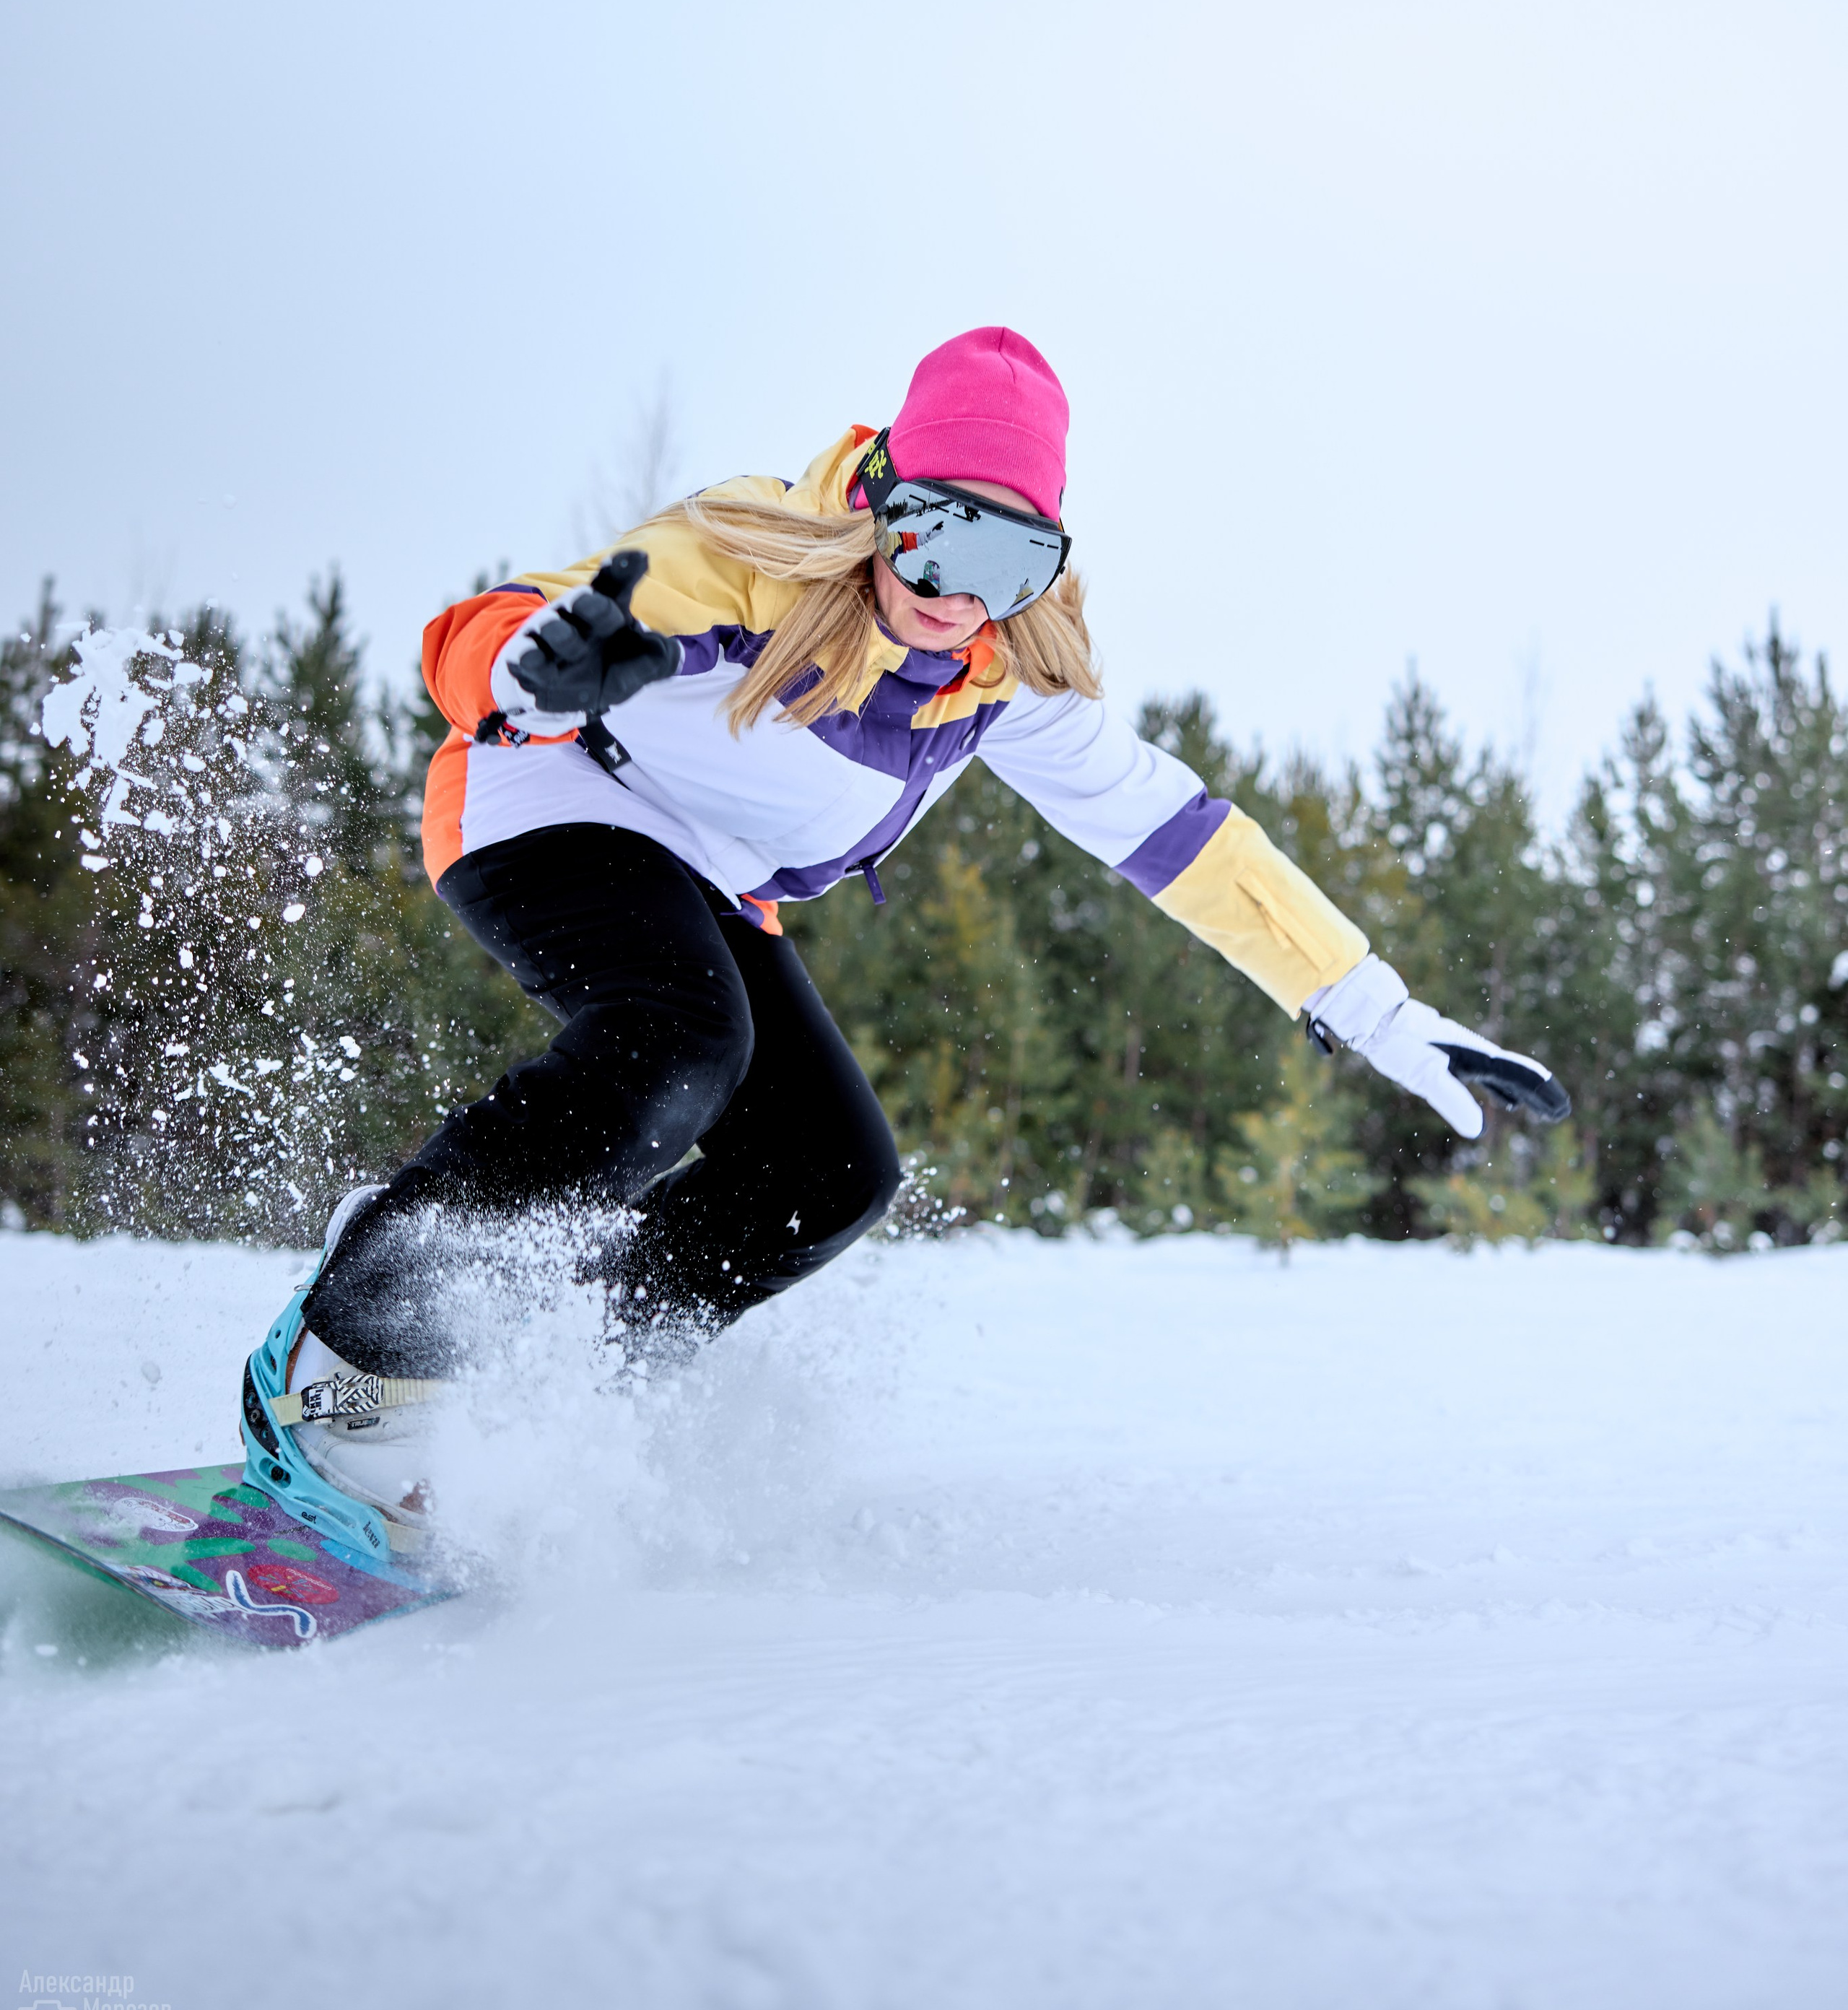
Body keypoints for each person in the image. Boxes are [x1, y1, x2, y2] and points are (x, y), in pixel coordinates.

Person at [240, 326, 1569, 1569]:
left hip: (709, 880)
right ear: (881, 501)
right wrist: (530, 670)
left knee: (829, 1170)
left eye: (1010, 566)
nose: (956, 598)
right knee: (680, 1048)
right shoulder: (749, 551)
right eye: (936, 544)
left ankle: (541, 1360)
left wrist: (1382, 1011)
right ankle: (352, 1355)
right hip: (551, 796)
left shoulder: (1006, 683)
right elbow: (498, 631)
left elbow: (1188, 839)